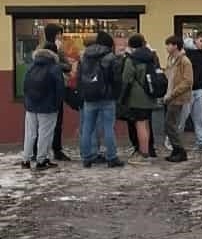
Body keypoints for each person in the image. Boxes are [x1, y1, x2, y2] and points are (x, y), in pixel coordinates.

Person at [76, 31, 124, 168]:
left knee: (87, 128)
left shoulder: (84, 56)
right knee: (108, 127)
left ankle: (86, 157)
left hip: (89, 98)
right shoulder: (111, 57)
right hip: (107, 98)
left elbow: (79, 78)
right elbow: (116, 79)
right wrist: (115, 94)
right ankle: (112, 157)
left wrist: (83, 93)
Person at [119, 35, 164, 164]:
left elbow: (126, 78)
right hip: (150, 94)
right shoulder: (151, 56)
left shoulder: (132, 59)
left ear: (131, 45)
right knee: (146, 123)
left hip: (137, 97)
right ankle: (148, 150)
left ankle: (143, 154)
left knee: (140, 124)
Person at [20, 44, 65, 171]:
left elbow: (25, 86)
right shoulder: (54, 68)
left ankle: (26, 160)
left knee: (30, 133)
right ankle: (41, 160)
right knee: (45, 134)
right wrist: (57, 104)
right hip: (48, 107)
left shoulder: (31, 66)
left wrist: (27, 102)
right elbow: (60, 89)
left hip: (31, 106)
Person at [42, 23, 71, 162]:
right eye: (59, 33)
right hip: (54, 89)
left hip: (43, 90)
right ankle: (56, 150)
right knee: (56, 122)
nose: (61, 36)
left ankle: (42, 151)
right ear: (54, 34)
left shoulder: (40, 48)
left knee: (43, 124)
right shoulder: (55, 49)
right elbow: (66, 66)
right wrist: (65, 62)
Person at [162, 36, 193, 163]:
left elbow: (188, 81)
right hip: (169, 96)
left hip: (177, 98)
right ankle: (176, 150)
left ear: (175, 46)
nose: (167, 47)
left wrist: (173, 93)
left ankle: (180, 151)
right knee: (170, 125)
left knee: (170, 125)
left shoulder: (185, 61)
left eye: (168, 44)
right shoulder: (171, 60)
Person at [185, 32, 202, 152]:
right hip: (187, 90)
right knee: (181, 117)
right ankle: (172, 141)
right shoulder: (186, 54)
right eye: (201, 41)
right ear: (195, 40)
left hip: (199, 89)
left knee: (201, 118)